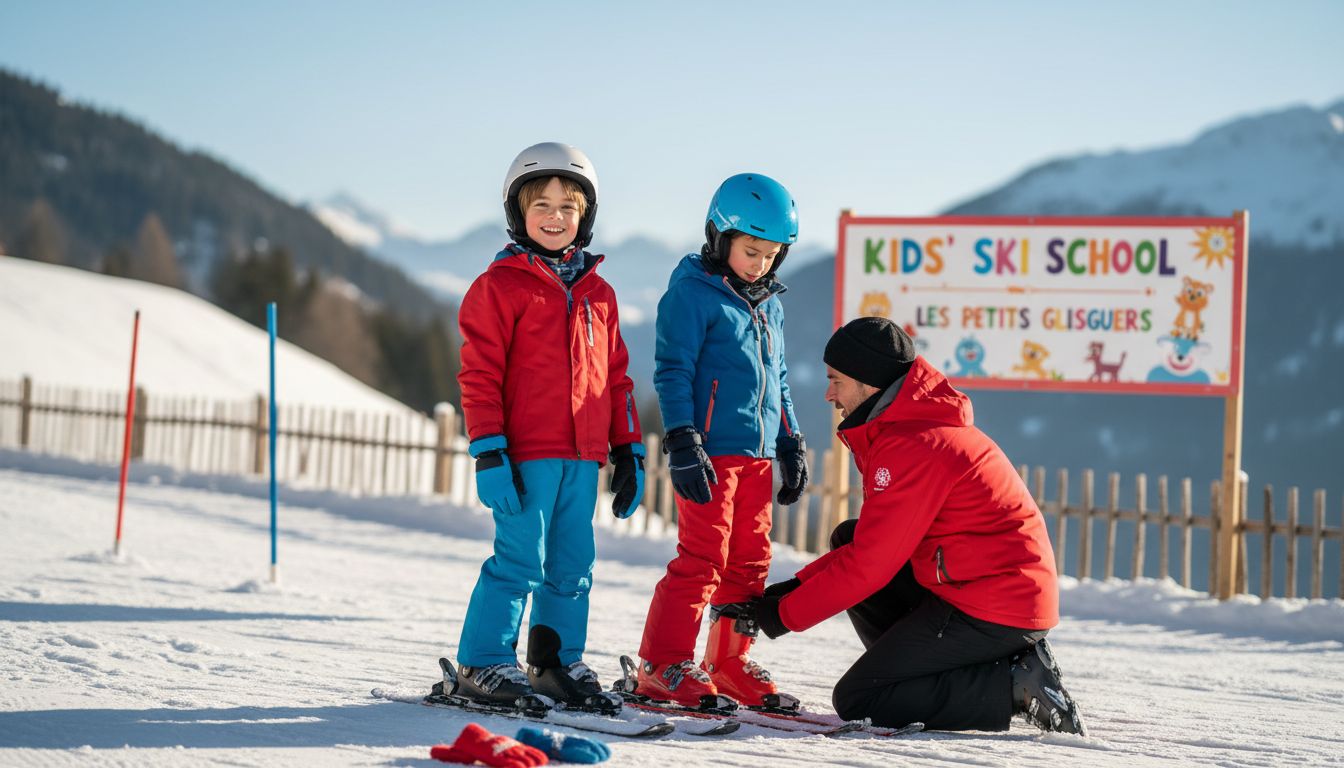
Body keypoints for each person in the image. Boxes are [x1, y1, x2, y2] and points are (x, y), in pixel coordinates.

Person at [744, 317, 1087, 735]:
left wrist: (780, 614)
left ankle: (1014, 684)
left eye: (836, 381)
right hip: (980, 587)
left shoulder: (915, 445)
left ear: (869, 383)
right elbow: (870, 545)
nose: (829, 394)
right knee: (848, 537)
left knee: (861, 699)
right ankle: (941, 672)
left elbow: (872, 564)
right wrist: (791, 591)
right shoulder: (910, 427)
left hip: (996, 605)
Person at [453, 142, 646, 711]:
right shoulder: (500, 287)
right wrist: (489, 450)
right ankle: (483, 662)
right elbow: (479, 374)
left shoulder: (599, 294)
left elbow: (618, 379)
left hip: (583, 457)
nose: (556, 217)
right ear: (518, 212)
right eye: (542, 204)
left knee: (572, 565)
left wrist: (628, 448)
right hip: (525, 455)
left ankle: (554, 660)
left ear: (585, 216)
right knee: (519, 560)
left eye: (569, 206)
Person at [632, 173, 810, 709]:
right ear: (719, 236)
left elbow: (777, 378)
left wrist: (791, 439)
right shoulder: (692, 293)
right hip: (710, 453)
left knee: (751, 562)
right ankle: (662, 664)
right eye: (750, 251)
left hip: (756, 456)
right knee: (703, 559)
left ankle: (728, 661)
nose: (760, 264)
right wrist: (683, 438)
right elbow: (672, 370)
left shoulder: (768, 303)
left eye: (771, 255)